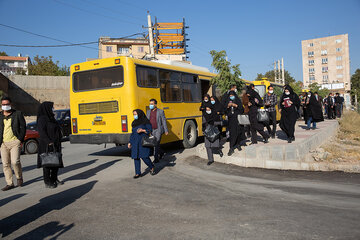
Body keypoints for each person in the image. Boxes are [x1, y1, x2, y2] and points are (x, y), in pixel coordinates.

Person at [0, 96, 26, 191]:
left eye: (7, 104)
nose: (5, 106)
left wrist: (20, 140)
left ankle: (19, 177)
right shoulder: (0, 116)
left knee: (15, 162)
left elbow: (23, 127)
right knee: (5, 164)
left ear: (10, 104)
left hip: (15, 142)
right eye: (3, 104)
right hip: (3, 144)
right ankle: (9, 183)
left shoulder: (17, 114)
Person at [37, 102, 64, 188]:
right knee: (47, 164)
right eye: (51, 107)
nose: (53, 109)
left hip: (55, 144)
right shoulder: (42, 119)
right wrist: (49, 141)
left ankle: (54, 179)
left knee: (56, 162)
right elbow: (42, 132)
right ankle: (47, 182)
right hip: (46, 144)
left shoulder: (51, 117)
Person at [128, 109, 155, 179]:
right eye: (133, 114)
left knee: (145, 157)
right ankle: (138, 173)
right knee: (136, 157)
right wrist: (130, 142)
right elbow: (132, 134)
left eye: (135, 114)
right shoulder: (134, 123)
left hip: (143, 142)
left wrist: (142, 130)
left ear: (140, 114)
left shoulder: (145, 122)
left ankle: (151, 167)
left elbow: (150, 130)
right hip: (135, 142)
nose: (134, 116)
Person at [146, 99, 168, 163]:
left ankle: (156, 158)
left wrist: (166, 130)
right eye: (150, 104)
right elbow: (147, 121)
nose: (150, 105)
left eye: (152, 104)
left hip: (158, 130)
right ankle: (161, 152)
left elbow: (164, 121)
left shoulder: (160, 111)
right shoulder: (148, 112)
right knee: (154, 144)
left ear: (155, 104)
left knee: (156, 143)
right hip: (151, 130)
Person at [224, 90, 244, 156]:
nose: (231, 97)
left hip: (238, 119)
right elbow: (225, 110)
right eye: (230, 96)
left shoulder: (238, 101)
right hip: (231, 120)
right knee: (232, 133)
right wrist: (227, 106)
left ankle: (238, 144)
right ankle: (231, 147)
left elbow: (242, 110)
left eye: (232, 96)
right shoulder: (227, 101)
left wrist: (235, 105)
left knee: (238, 132)